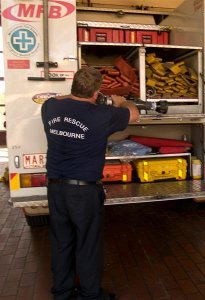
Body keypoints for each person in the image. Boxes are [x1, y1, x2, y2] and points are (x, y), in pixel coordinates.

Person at [41, 66, 139, 300]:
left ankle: (62, 293)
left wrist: (81, 96)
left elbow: (59, 98)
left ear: (73, 86)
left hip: (55, 188)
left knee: (61, 242)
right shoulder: (101, 115)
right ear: (96, 93)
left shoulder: (50, 108)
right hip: (84, 192)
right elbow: (134, 114)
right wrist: (119, 101)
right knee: (87, 244)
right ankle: (90, 295)